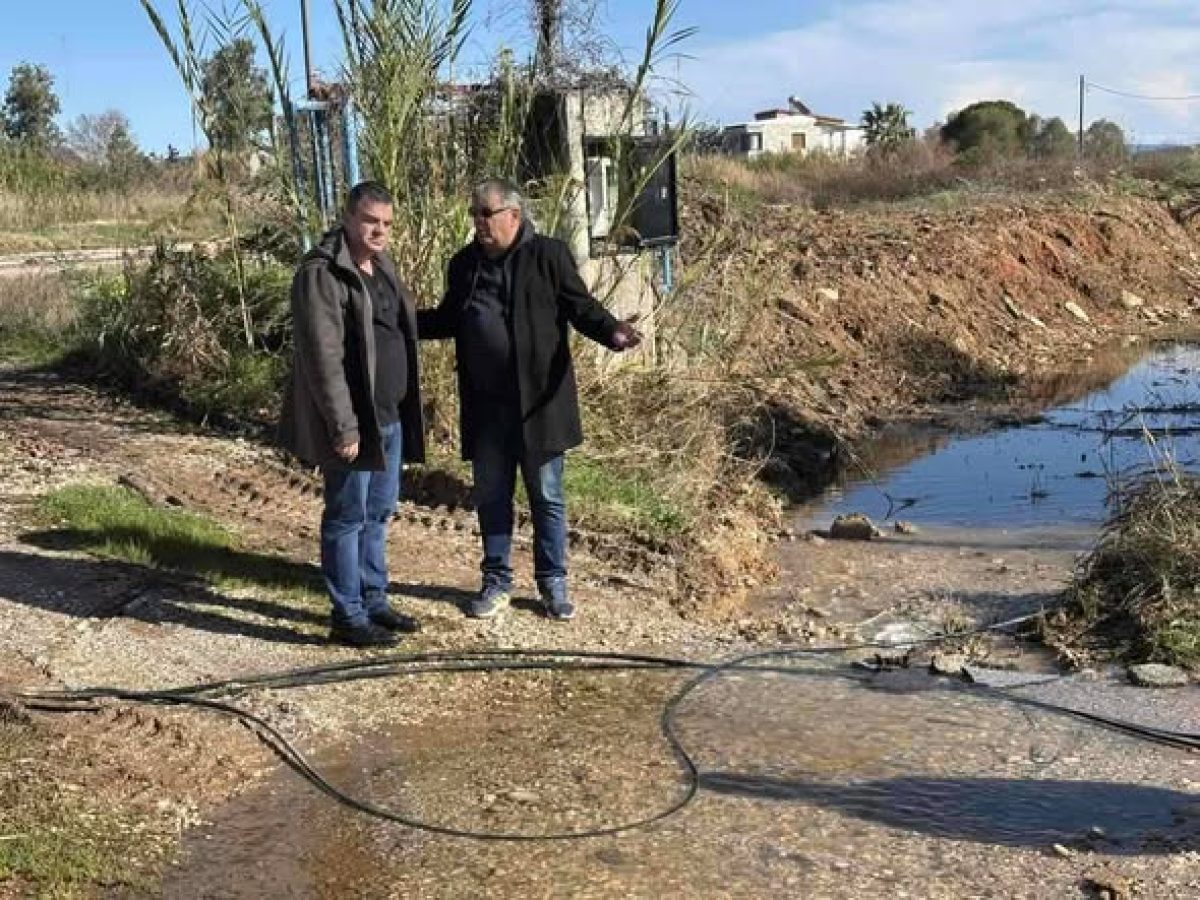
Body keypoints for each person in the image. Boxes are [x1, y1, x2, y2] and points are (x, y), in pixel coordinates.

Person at [418, 178, 641, 622]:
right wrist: (401, 321)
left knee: (547, 496)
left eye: (487, 214)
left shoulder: (548, 256)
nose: (479, 223)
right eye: (474, 215)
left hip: (539, 405)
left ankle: (552, 582)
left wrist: (613, 332)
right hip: (486, 407)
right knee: (492, 494)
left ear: (513, 215)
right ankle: (496, 582)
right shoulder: (464, 265)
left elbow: (582, 308)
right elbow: (448, 319)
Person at [279, 181, 425, 647]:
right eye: (370, 221)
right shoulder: (322, 273)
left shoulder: (382, 265)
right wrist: (343, 426)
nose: (379, 231)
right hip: (354, 422)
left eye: (386, 223)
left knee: (378, 512)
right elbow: (323, 358)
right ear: (347, 217)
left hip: (389, 416)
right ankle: (348, 615)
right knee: (346, 516)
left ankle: (374, 599)